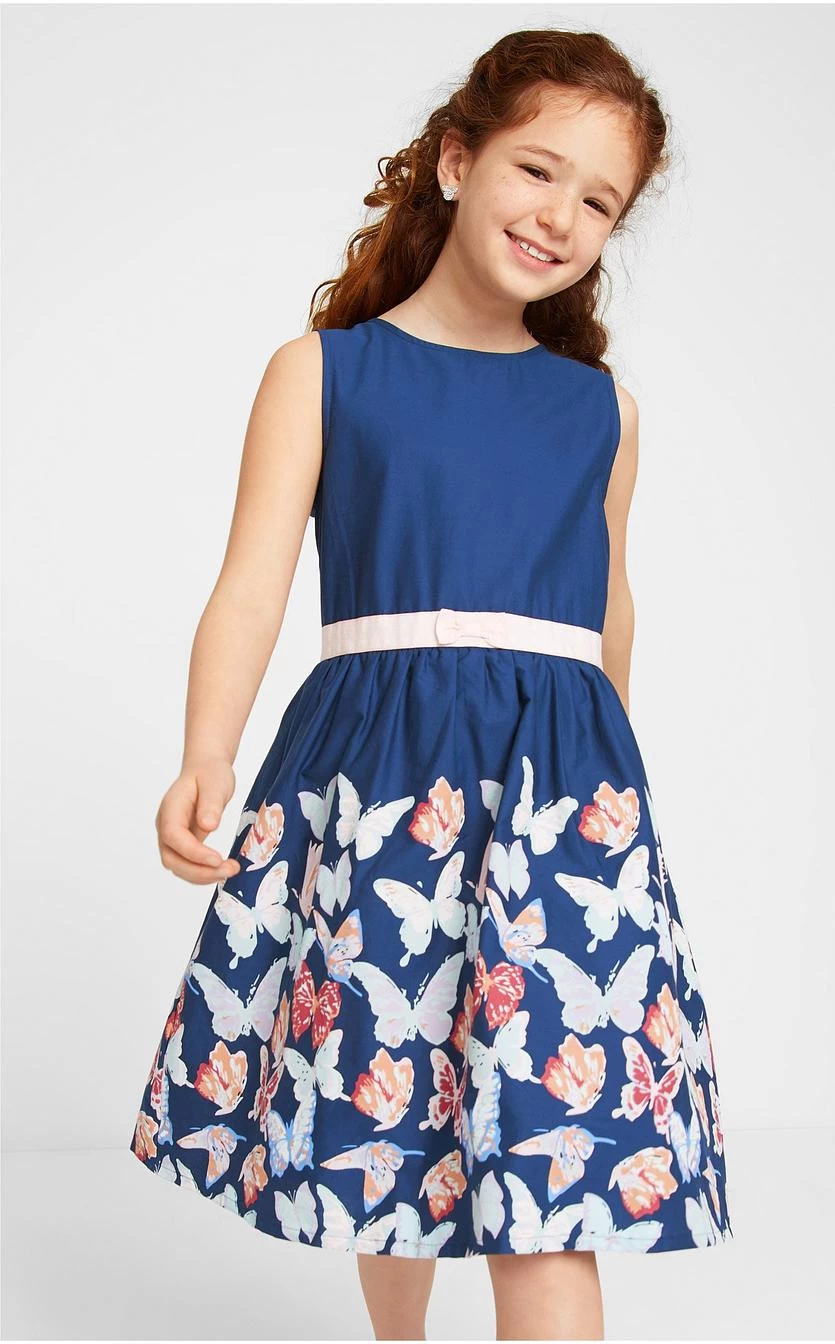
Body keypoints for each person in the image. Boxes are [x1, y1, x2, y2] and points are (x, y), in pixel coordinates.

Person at [129, 27, 733, 1342]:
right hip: (378, 791)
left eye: (599, 202)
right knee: (384, 1112)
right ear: (457, 161)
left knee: (555, 1179)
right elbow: (251, 584)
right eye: (538, 170)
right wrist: (206, 751)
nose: (560, 216)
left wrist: (609, 823)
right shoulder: (324, 373)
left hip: (558, 812)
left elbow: (609, 613)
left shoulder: (603, 410)